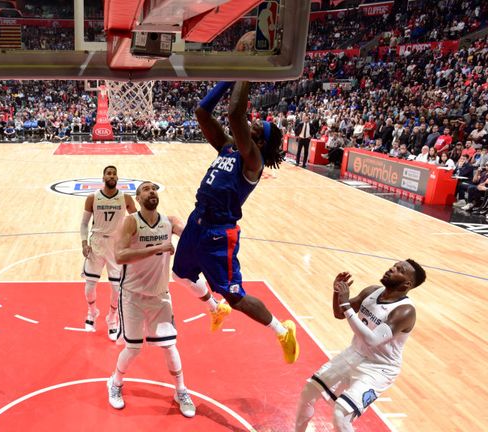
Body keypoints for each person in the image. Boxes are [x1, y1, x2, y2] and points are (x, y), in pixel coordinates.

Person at [171, 79, 299, 364]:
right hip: (197, 220)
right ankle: (215, 308)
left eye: (252, 129)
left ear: (260, 142)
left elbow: (234, 114)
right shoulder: (227, 147)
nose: (248, 124)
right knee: (181, 275)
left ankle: (282, 332)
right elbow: (202, 113)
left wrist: (244, 71)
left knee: (237, 298)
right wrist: (226, 79)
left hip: (219, 234)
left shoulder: (253, 160)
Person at [294, 260, 426, 432]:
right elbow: (339, 314)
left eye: (399, 270)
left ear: (407, 283)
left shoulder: (405, 311)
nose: (392, 268)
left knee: (341, 414)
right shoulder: (372, 291)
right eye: (394, 265)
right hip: (354, 354)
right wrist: (337, 293)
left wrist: (346, 304)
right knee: (308, 392)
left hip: (379, 368)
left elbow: (372, 340)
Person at [106, 181, 195, 418]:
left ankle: (181, 390)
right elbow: (120, 255)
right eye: (145, 189)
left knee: (169, 345)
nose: (151, 191)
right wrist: (158, 248)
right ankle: (114, 383)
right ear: (137, 197)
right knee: (133, 348)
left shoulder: (169, 222)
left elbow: (191, 237)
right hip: (133, 296)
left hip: (160, 296)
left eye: (153, 188)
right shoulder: (131, 221)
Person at [80, 165, 136, 339]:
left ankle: (112, 318)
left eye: (114, 173)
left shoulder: (126, 198)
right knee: (89, 287)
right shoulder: (92, 198)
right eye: (108, 173)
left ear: (117, 178)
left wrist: (133, 242)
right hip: (96, 243)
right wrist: (84, 242)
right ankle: (92, 311)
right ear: (103, 177)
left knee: (116, 288)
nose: (111, 176)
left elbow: (137, 221)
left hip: (116, 246)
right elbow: (84, 224)